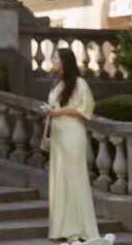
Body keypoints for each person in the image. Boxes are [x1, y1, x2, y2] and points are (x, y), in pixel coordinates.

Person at [42, 47, 99, 243]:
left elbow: (85, 109)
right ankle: (62, 228)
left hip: (72, 134)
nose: (52, 60)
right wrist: (50, 111)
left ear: (65, 61)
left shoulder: (80, 83)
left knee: (74, 178)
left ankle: (75, 230)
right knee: (60, 179)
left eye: (56, 57)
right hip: (58, 134)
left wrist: (61, 112)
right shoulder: (57, 81)